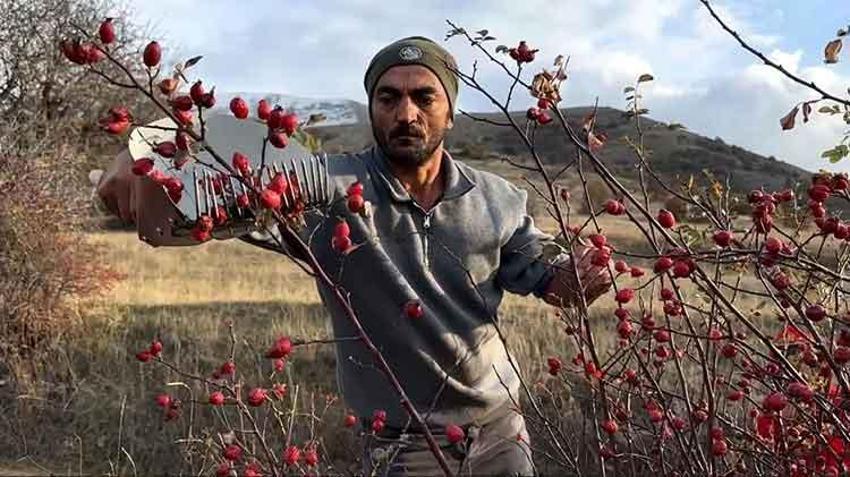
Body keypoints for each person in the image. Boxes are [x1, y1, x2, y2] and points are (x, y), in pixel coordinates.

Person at [96, 36, 611, 476]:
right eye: (388, 98)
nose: (405, 113)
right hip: (405, 447)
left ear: (450, 112)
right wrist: (138, 152)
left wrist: (583, 278)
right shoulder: (328, 184)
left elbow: (551, 282)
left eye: (423, 97)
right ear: (372, 108)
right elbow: (223, 180)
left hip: (502, 433)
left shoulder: (498, 198)